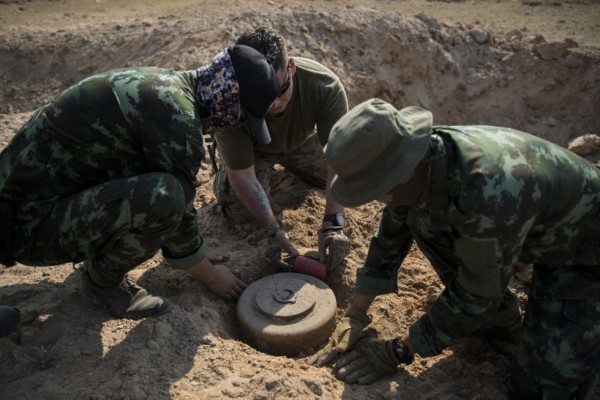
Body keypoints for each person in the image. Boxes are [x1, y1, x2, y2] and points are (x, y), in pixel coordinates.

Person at [310, 98, 600, 399]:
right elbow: (390, 236)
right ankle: (499, 322)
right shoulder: (421, 161)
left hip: (585, 254)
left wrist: (397, 350)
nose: (374, 198)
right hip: (536, 228)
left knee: (538, 391)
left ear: (399, 174)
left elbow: (477, 296)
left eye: (374, 190)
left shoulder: (485, 195)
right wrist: (356, 314)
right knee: (423, 223)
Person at [0, 45, 283, 321]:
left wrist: (199, 251)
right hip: (26, 229)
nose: (236, 123)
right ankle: (102, 284)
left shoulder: (167, 85)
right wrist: (210, 275)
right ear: (228, 97)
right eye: (242, 115)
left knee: (165, 190)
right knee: (165, 197)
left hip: (20, 206)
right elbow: (174, 202)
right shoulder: (177, 119)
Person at [212, 27, 351, 272]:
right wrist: (272, 230)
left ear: (292, 68)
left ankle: (283, 178)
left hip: (302, 141)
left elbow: (339, 160)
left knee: (348, 176)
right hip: (254, 152)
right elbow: (242, 174)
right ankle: (241, 177)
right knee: (240, 211)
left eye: (279, 90)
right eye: (263, 95)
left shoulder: (324, 86)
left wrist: (333, 223)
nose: (274, 103)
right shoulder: (226, 99)